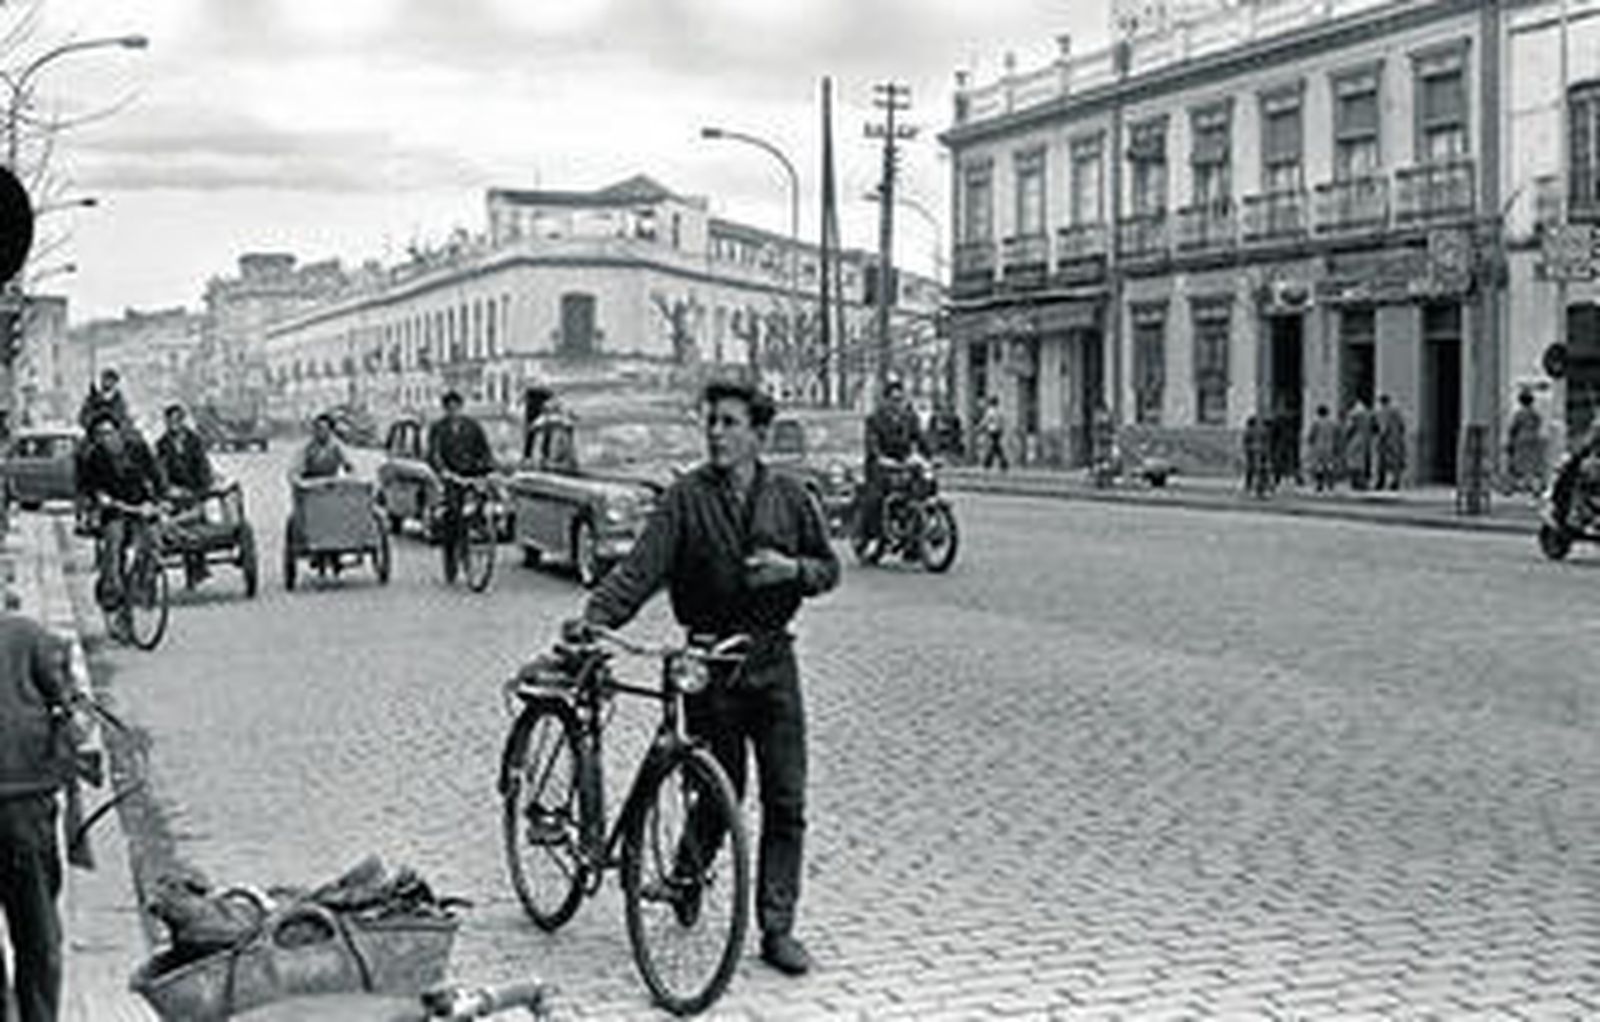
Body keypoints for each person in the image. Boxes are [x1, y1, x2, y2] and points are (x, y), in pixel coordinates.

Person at [569, 379, 840, 977]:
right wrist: (594, 618)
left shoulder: (790, 497)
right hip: (708, 666)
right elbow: (640, 571)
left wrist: (792, 570)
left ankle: (777, 929)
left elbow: (828, 568)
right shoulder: (685, 499)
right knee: (720, 788)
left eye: (729, 423)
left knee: (787, 798)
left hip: (772, 660)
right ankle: (688, 875)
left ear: (758, 435)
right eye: (711, 422)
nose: (716, 433)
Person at [0, 599, 74, 1022]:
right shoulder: (28, 635)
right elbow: (68, 706)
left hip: (23, 801)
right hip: (25, 806)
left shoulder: (28, 636)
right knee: (38, 936)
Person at [79, 414, 166, 623]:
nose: (105, 438)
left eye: (109, 433)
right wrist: (100, 497)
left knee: (153, 542)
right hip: (115, 509)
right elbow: (88, 485)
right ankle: (112, 590)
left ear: (118, 432)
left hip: (141, 505)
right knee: (114, 541)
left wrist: (158, 499)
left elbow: (155, 475)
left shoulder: (138, 449)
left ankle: (144, 583)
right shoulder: (94, 457)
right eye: (100, 435)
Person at [426, 390, 495, 583]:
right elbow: (433, 453)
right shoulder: (438, 428)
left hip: (472, 474)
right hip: (451, 477)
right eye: (449, 408)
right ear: (445, 409)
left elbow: (484, 450)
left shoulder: (473, 426)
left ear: (461, 407)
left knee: (482, 502)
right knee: (452, 515)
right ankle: (451, 561)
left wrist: (488, 468)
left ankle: (481, 531)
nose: (453, 411)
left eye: (456, 407)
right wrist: (443, 471)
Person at [859, 378, 926, 549]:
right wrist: (880, 457)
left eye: (900, 399)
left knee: (924, 486)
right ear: (886, 400)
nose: (898, 404)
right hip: (881, 464)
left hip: (904, 461)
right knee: (877, 496)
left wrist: (930, 456)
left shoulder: (910, 418)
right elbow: (871, 442)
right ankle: (871, 533)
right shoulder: (874, 419)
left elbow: (920, 439)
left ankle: (917, 536)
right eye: (894, 399)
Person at [156, 404, 217, 589]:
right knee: (183, 531)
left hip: (195, 491)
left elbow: (203, 466)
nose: (173, 424)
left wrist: (201, 489)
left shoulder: (194, 441)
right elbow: (159, 470)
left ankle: (199, 567)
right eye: (170, 421)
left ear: (182, 421)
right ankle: (193, 572)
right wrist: (169, 489)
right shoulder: (162, 444)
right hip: (173, 495)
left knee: (197, 527)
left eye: (177, 420)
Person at [288, 413, 354, 575]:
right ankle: (315, 549)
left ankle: (337, 550)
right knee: (312, 516)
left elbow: (348, 464)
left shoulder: (336, 446)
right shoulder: (307, 448)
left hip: (331, 486)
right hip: (311, 488)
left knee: (340, 512)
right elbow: (295, 469)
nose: (321, 432)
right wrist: (298, 479)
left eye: (325, 429)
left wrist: (349, 469)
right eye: (318, 429)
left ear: (330, 431)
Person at [1505, 389, 1546, 496]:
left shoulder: (1519, 414)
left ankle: (1522, 485)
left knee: (1520, 464)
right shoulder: (1535, 414)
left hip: (1521, 439)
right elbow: (1539, 424)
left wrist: (1510, 442)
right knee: (1533, 464)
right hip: (1534, 439)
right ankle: (1534, 486)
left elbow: (1513, 428)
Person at [76, 369, 131, 434]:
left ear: (115, 383)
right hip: (95, 434)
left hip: (114, 434)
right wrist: (96, 415)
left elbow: (122, 419)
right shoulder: (92, 399)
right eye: (105, 379)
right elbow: (83, 419)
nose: (107, 382)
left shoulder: (119, 401)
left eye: (111, 380)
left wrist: (110, 415)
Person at [1306, 404, 1342, 493]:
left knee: (1319, 466)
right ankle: (1330, 483)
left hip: (1318, 447)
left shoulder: (1316, 423)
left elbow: (1311, 436)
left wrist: (1310, 444)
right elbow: (1337, 435)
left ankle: (1320, 484)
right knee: (1330, 465)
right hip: (1330, 447)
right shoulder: (1332, 424)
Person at [1374, 394, 1407, 491]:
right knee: (1395, 461)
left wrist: (1380, 439)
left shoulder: (1383, 411)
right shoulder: (1397, 411)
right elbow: (1402, 426)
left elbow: (1383, 427)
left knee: (1382, 462)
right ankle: (1396, 481)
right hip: (1396, 439)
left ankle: (1381, 481)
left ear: (1382, 402)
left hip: (1387, 440)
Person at [1343, 398, 1375, 491]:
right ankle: (1361, 482)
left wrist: (1345, 437)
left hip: (1356, 438)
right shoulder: (1368, 414)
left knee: (1352, 460)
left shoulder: (1354, 415)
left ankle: (1357, 482)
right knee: (1361, 461)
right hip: (1366, 439)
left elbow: (1350, 427)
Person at [1243, 415, 1272, 498]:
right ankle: (1262, 488)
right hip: (1261, 452)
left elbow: (1245, 443)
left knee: (1253, 470)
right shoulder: (1263, 430)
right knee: (1262, 470)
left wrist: (1249, 449)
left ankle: (1253, 488)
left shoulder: (1248, 431)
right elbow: (1267, 442)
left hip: (1253, 453)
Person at [978, 396, 1007, 471]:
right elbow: (1002, 420)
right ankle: (1000, 462)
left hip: (992, 430)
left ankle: (989, 462)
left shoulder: (990, 411)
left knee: (994, 446)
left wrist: (979, 426)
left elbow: (986, 420)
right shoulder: (999, 411)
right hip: (999, 431)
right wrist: (1002, 429)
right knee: (995, 446)